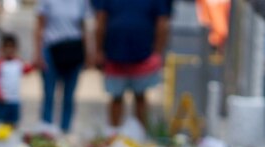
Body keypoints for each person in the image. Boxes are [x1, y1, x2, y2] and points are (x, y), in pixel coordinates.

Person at [94, 0, 171, 129]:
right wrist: (99, 51)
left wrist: (157, 52)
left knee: (140, 96)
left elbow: (162, 24)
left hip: (143, 54)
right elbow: (101, 21)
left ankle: (140, 135)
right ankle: (114, 133)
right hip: (115, 54)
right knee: (116, 96)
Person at [34, 0, 93, 133]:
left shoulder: (81, 2)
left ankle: (65, 130)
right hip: (51, 48)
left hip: (73, 49)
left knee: (69, 95)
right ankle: (46, 130)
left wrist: (88, 53)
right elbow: (39, 26)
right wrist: (38, 53)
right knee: (49, 93)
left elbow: (84, 27)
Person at [0, 34, 34, 126]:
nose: (9, 50)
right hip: (2, 100)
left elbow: (26, 69)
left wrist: (35, 65)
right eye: (7, 47)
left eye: (12, 47)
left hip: (15, 100)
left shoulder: (18, 62)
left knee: (13, 124)